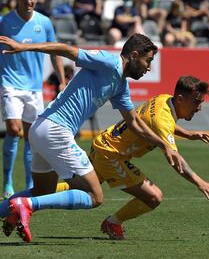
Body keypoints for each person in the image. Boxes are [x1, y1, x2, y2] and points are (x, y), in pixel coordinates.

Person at [0, 33, 183, 243]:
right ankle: (27, 206)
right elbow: (67, 50)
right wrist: (24, 46)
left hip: (40, 129)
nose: (149, 67)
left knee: (43, 190)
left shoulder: (121, 85)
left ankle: (17, 206)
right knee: (95, 196)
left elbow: (134, 123)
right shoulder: (109, 61)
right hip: (56, 130)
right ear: (133, 55)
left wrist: (164, 145)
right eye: (148, 60)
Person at [59, 76, 209, 240]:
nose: (199, 107)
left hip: (104, 143)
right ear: (180, 99)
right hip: (111, 155)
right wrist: (200, 182)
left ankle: (37, 192)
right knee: (154, 196)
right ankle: (113, 222)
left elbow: (159, 124)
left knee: (81, 189)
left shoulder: (164, 99)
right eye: (196, 102)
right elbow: (175, 160)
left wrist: (188, 134)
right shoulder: (162, 120)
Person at [0, 0, 65, 199]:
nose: (30, 2)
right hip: (10, 83)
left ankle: (29, 183)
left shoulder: (44, 23)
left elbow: (55, 52)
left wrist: (62, 80)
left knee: (31, 137)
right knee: (14, 128)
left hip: (34, 88)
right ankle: (7, 182)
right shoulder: (4, 21)